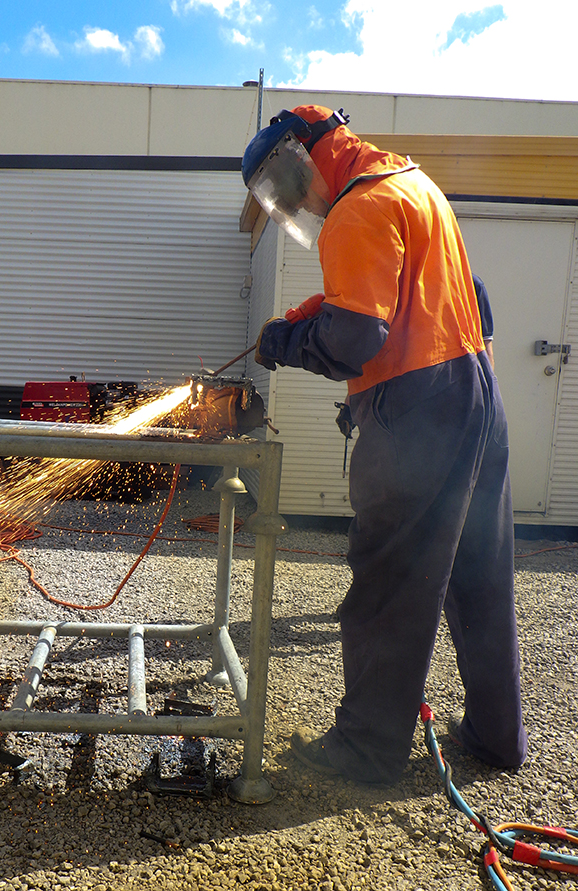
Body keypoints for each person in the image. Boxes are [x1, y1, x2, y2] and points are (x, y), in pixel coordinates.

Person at [241, 106, 527, 784]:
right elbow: (445, 299)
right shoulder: (411, 185)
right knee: (478, 577)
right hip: (474, 394)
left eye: (282, 187)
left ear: (298, 157)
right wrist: (325, 331)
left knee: (388, 581)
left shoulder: (355, 210)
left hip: (421, 407)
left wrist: (291, 342)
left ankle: (364, 749)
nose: (292, 204)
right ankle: (495, 735)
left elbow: (353, 341)